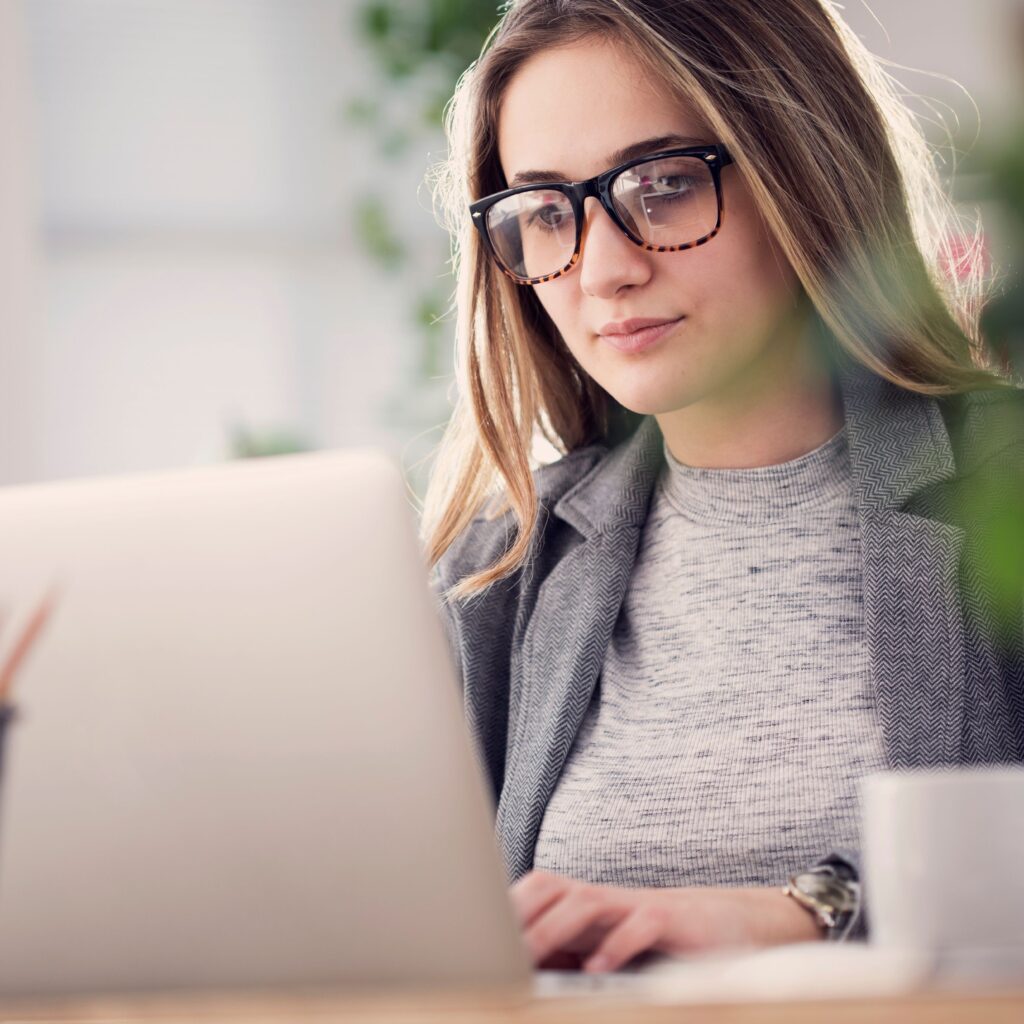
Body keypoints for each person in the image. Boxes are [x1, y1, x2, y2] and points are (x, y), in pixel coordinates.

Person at [420, 0, 1024, 974]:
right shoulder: (503, 565)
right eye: (544, 211)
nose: (604, 269)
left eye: (660, 185)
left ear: (802, 169)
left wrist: (810, 908)